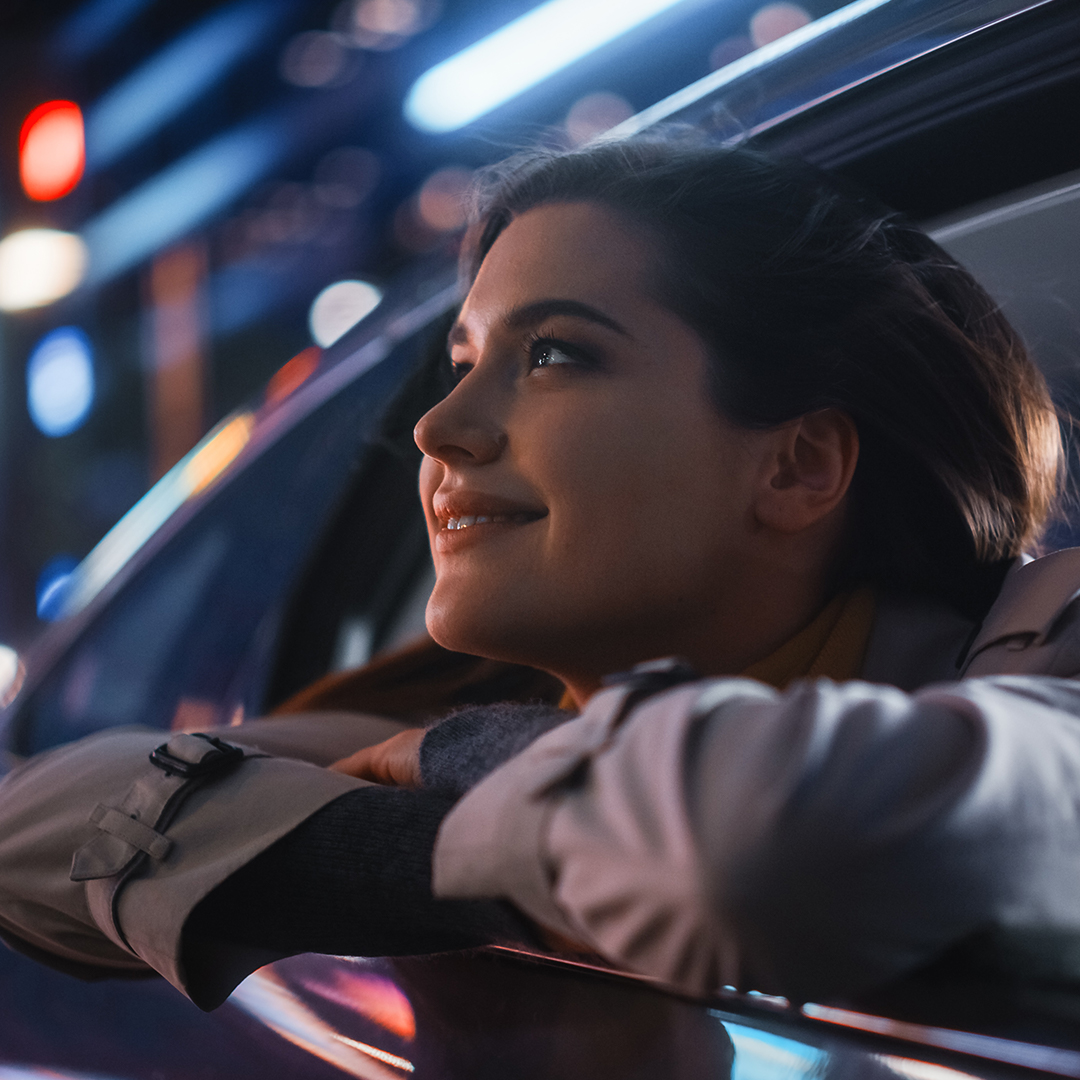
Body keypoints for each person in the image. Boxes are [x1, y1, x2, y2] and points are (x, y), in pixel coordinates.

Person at [3, 134, 1080, 1013]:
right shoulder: (425, 703)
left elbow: (751, 843)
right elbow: (30, 831)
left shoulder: (1040, 673)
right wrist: (489, 825)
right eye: (464, 362)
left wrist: (461, 772)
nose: (440, 427)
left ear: (797, 465)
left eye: (555, 354)